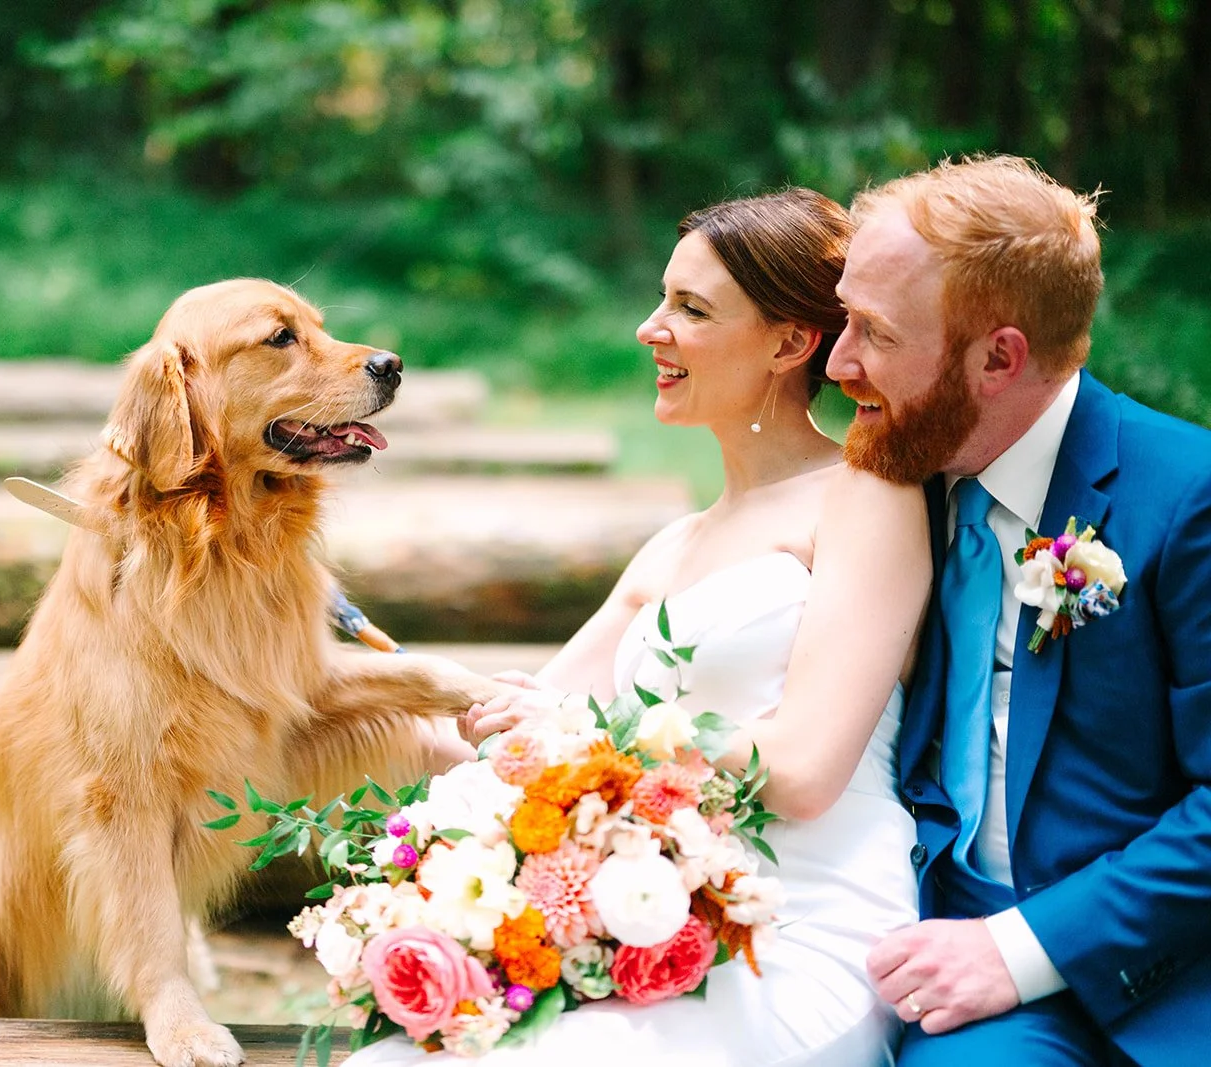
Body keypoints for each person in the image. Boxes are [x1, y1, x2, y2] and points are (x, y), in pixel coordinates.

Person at [346, 188, 932, 1067]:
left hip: (797, 929)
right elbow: (513, 727)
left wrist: (577, 731)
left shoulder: (866, 498)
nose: (648, 328)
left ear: (789, 342)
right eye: (663, 298)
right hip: (648, 917)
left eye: (690, 309)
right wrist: (313, 682)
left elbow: (805, 772)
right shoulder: (672, 545)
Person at [829, 155, 1211, 1067]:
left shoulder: (1186, 500)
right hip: (874, 921)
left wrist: (1016, 949)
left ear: (999, 357)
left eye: (873, 333)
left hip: (1114, 975)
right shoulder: (894, 475)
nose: (839, 363)